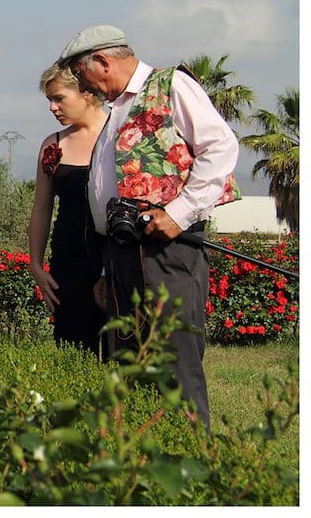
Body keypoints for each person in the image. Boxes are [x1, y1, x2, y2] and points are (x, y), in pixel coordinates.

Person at [56, 24, 240, 429]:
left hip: (167, 250)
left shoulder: (171, 85)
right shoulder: (117, 109)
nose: (85, 89)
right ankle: (141, 460)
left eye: (82, 77)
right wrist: (107, 268)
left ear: (102, 62)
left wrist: (180, 212)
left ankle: (194, 459)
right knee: (128, 359)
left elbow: (221, 145)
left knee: (174, 358)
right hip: (120, 252)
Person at [27, 65, 107, 357]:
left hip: (116, 260)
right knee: (73, 352)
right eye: (49, 99)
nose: (52, 107)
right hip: (68, 265)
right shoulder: (53, 144)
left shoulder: (121, 136)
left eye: (59, 98)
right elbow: (41, 207)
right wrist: (35, 263)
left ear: (86, 92)